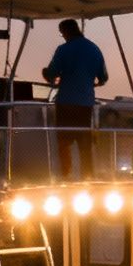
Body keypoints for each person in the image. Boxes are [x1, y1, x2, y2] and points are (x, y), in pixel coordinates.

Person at [41, 18, 107, 179]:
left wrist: (45, 73)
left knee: (64, 142)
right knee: (84, 144)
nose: (62, 36)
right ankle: (87, 177)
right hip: (86, 105)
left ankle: (66, 176)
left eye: (62, 33)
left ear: (66, 31)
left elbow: (52, 73)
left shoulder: (64, 49)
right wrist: (90, 84)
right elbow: (103, 77)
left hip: (66, 103)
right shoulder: (94, 49)